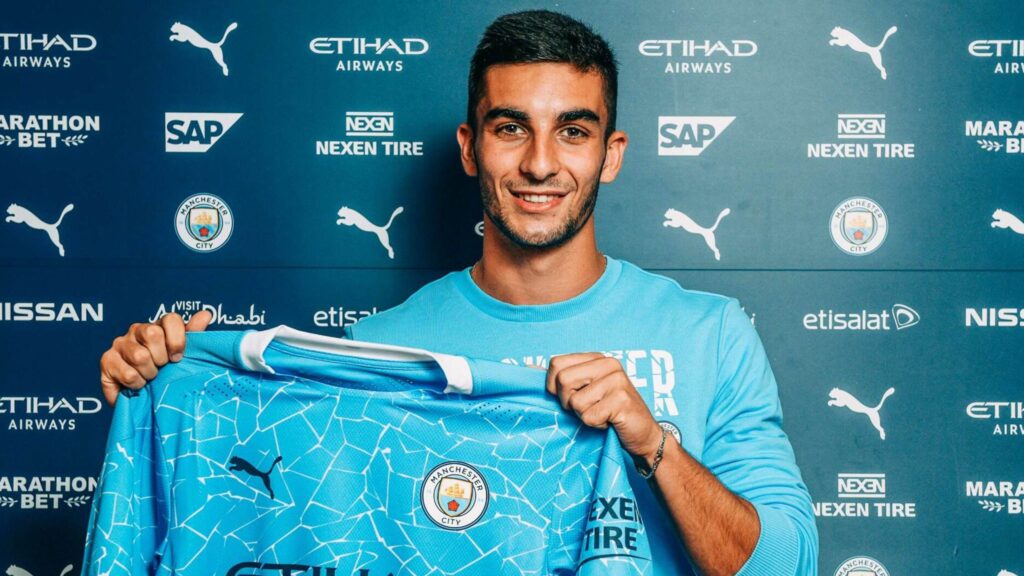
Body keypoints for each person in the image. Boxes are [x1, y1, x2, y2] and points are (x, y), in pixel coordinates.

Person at [99, 10, 817, 576]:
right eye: (511, 129)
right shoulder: (376, 351)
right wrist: (169, 379)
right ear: (471, 147)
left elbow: (787, 566)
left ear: (611, 154)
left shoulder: (711, 333)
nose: (540, 163)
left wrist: (650, 441)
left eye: (573, 131)